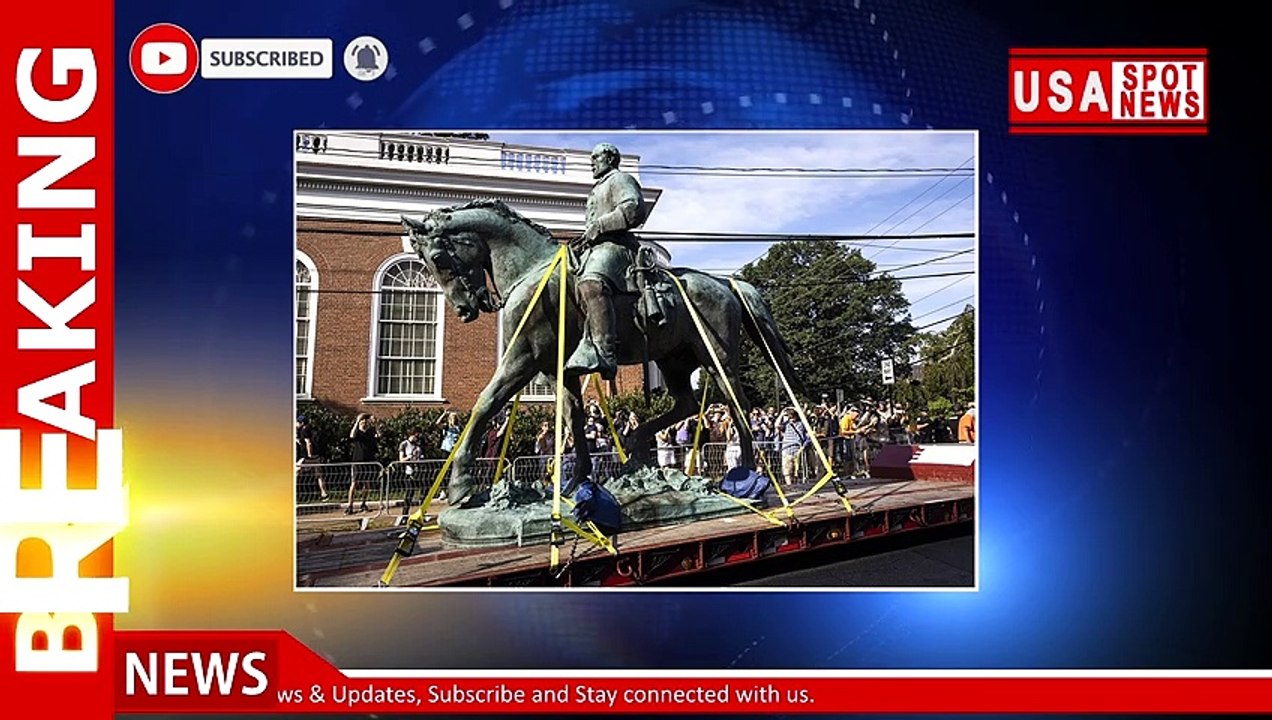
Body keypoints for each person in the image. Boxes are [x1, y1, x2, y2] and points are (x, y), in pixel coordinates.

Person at [565, 142, 648, 380]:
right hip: (596, 249)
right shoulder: (597, 188)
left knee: (591, 283)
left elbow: (633, 209)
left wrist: (600, 225)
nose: (591, 162)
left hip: (618, 248)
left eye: (595, 157)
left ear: (610, 159)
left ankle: (605, 350)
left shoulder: (620, 179)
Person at [346, 413, 378, 514]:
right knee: (354, 483)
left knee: (367, 485)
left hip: (368, 462)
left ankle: (363, 503)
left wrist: (375, 424)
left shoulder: (370, 433)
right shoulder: (357, 434)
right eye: (362, 420)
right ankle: (350, 505)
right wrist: (356, 421)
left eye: (365, 420)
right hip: (357, 462)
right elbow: (351, 435)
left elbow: (379, 435)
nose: (364, 422)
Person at [296, 415, 329, 502]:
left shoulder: (304, 430)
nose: (296, 424)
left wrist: (309, 453)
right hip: (316, 456)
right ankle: (324, 493)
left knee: (296, 470)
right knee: (319, 475)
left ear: (302, 423)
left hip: (307, 457)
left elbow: (308, 442)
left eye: (297, 422)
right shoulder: (312, 429)